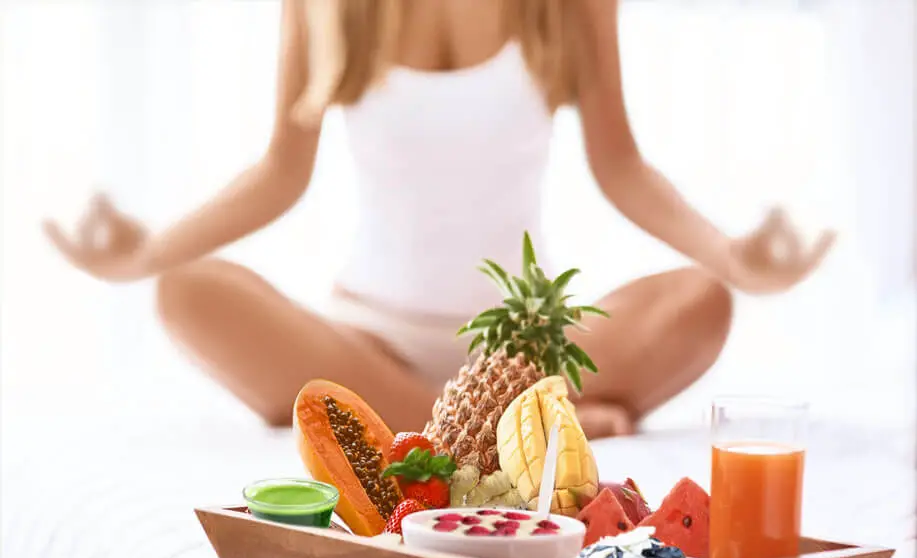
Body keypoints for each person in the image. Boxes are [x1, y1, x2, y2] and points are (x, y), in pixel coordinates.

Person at [43, 0, 835, 438]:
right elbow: (279, 175)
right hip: (368, 341)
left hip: (528, 347)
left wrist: (734, 259)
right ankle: (507, 433)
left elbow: (620, 168)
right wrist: (146, 254)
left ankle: (447, 425)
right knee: (187, 293)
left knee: (699, 302)